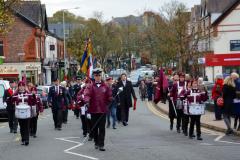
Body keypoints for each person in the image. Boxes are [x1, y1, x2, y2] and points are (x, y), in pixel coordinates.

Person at [84, 68, 112, 151]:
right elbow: (87, 95)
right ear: (94, 76)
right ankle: (96, 142)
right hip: (93, 110)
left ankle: (101, 144)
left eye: (99, 75)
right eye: (96, 75)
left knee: (102, 128)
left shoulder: (106, 86)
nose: (98, 77)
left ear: (101, 76)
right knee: (95, 128)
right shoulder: (90, 86)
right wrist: (87, 101)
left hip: (103, 110)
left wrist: (111, 98)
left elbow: (109, 95)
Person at [12, 81, 34, 146]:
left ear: (25, 87)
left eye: (22, 86)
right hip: (20, 112)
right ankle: (23, 139)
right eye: (20, 86)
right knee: (21, 126)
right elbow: (11, 100)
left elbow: (33, 101)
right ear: (18, 87)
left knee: (27, 126)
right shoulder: (16, 94)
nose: (21, 87)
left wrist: (33, 95)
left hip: (27, 112)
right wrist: (13, 95)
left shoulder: (28, 93)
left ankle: (27, 140)